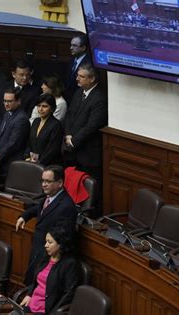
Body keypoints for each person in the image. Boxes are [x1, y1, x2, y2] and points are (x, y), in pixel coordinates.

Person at [15, 165, 77, 285]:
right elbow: (40, 208)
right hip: (38, 251)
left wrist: (46, 256)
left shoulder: (67, 207)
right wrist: (25, 216)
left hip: (47, 258)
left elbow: (63, 239)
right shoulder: (50, 196)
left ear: (60, 183)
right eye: (42, 181)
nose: (43, 184)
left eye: (48, 181)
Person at [63, 63, 107, 217]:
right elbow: (69, 115)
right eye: (78, 75)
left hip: (88, 153)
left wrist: (73, 139)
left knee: (90, 191)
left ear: (92, 79)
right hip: (73, 150)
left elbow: (92, 125)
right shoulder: (78, 92)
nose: (77, 79)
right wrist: (68, 134)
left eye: (81, 76)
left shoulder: (99, 98)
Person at [19, 223, 80, 314]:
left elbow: (69, 293)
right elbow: (36, 282)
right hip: (31, 304)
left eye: (50, 242)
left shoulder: (69, 264)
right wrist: (29, 295)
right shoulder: (45, 258)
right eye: (46, 241)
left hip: (46, 310)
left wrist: (54, 312)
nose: (45, 245)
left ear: (60, 245)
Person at [0, 88, 30, 182]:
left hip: (11, 161)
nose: (6, 104)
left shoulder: (21, 119)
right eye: (5, 101)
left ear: (18, 101)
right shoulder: (7, 114)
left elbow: (14, 143)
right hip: (1, 158)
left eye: (9, 101)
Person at [26, 94, 64, 166]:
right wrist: (28, 157)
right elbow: (29, 142)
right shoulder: (36, 121)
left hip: (48, 165)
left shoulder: (56, 125)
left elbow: (52, 150)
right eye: (39, 106)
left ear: (52, 108)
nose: (40, 109)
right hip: (32, 162)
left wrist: (39, 162)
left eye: (44, 106)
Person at [64, 35, 92, 104]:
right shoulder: (71, 60)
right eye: (71, 45)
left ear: (83, 48)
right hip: (68, 98)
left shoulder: (89, 63)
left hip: (80, 100)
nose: (71, 48)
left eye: (74, 45)